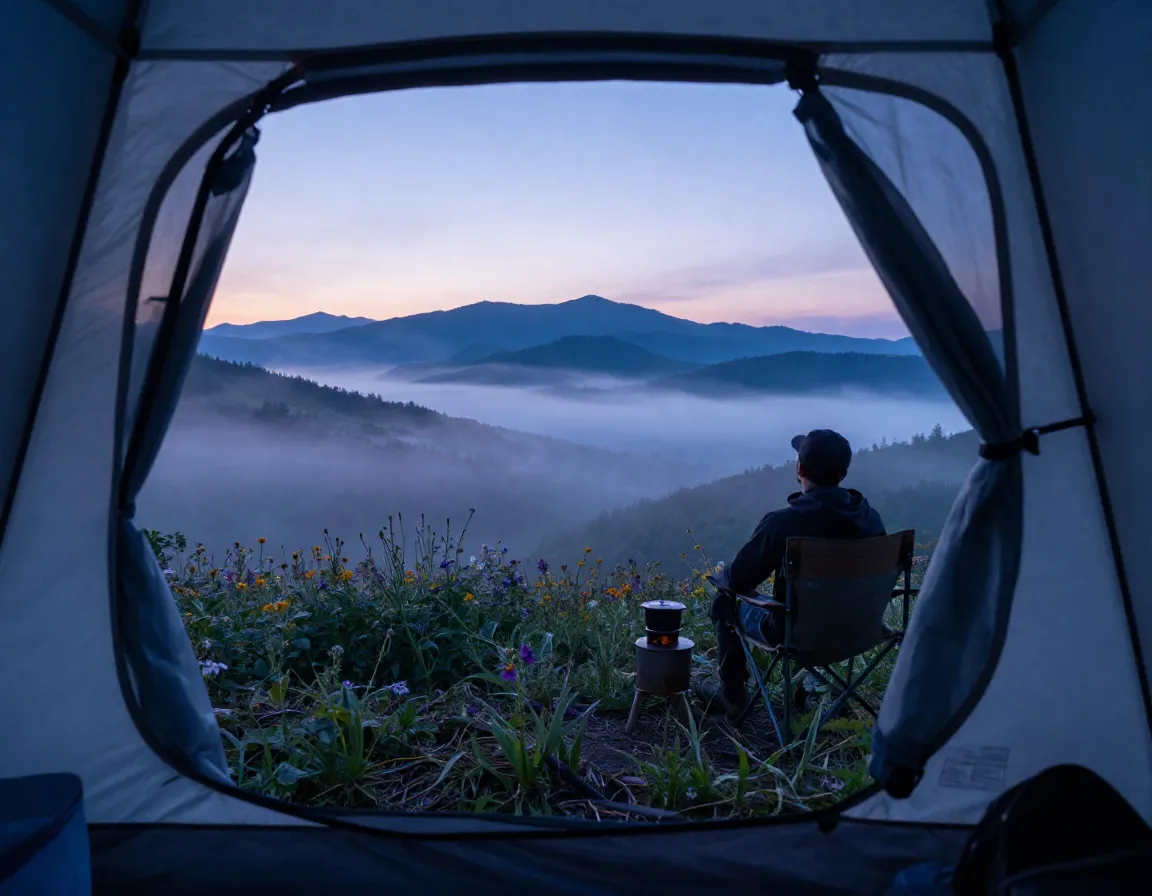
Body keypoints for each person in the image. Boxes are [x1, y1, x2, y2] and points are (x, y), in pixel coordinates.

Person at [693, 429, 886, 718]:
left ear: (799, 469)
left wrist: (721, 579)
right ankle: (818, 688)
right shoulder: (871, 518)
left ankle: (732, 694)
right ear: (843, 473)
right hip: (860, 629)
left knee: (725, 602)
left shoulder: (784, 523)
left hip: (797, 634)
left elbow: (737, 581)